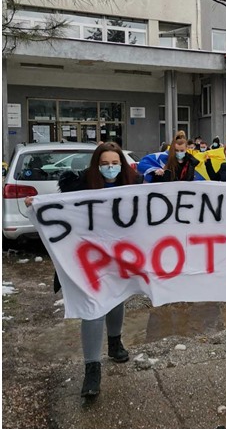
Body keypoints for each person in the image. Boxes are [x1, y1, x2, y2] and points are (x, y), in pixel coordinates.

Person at [24, 142, 141, 397]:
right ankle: (92, 369)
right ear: (96, 165)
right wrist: (39, 203)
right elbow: (61, 205)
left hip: (120, 257)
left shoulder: (135, 186)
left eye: (114, 163)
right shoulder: (79, 187)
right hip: (88, 261)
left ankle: (114, 342)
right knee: (92, 308)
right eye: (104, 164)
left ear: (120, 164)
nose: (110, 168)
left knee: (116, 300)